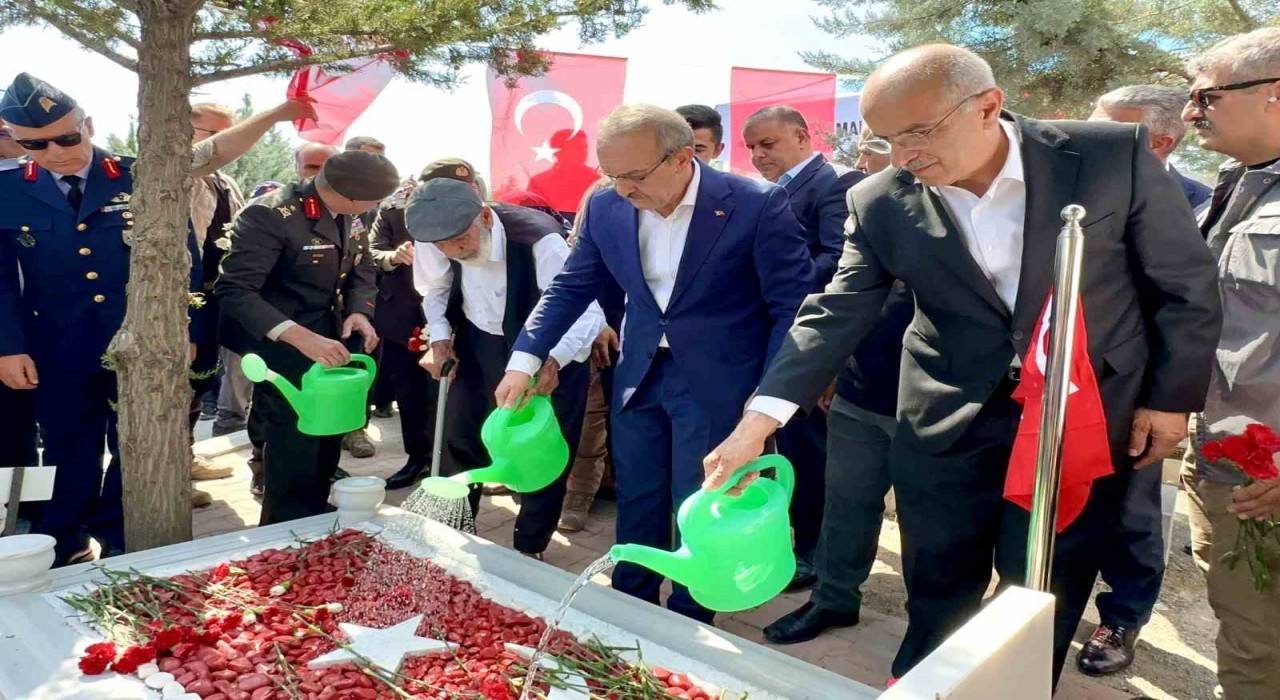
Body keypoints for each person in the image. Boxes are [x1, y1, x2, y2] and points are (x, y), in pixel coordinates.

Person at [700, 45, 1221, 684]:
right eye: (886, 139)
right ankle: (923, 681)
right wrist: (758, 422)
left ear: (988, 106)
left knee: (1043, 585)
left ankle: (1020, 688)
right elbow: (835, 309)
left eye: (918, 133)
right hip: (946, 413)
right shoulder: (881, 199)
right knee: (937, 576)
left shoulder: (1109, 157)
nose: (904, 156)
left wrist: (1170, 402)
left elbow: (1185, 284)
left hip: (1079, 413)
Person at [495, 104, 814, 622]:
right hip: (639, 374)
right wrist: (526, 358)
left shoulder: (755, 204)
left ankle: (690, 615)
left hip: (720, 380)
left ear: (682, 157)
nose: (623, 188)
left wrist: (768, 400)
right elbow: (574, 285)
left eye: (635, 176)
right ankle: (631, 604)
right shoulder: (607, 207)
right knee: (639, 494)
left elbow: (792, 307)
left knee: (700, 502)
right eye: (611, 175)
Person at [0, 73, 203, 564]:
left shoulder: (139, 175)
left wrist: (185, 329)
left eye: (67, 137)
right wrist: (7, 346)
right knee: (69, 443)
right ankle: (66, 536)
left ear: (88, 125)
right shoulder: (9, 190)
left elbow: (185, 258)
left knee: (135, 439)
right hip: (56, 343)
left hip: (140, 337)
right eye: (35, 144)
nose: (54, 152)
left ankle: (117, 529)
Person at [1073, 83, 1213, 676]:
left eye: (1107, 128)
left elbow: (1187, 306)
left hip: (1137, 390)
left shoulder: (1195, 200)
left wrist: (1164, 399)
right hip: (1064, 379)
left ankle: (1122, 616)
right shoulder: (1070, 188)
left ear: (1158, 140)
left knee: (1131, 511)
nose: (1086, 136)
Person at [762, 130, 913, 645]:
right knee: (847, 503)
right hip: (863, 385)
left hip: (939, 400)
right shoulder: (874, 205)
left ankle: (933, 628)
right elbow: (841, 302)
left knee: (928, 519)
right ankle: (832, 599)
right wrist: (825, 369)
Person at [408, 177, 601, 557]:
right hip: (478, 343)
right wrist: (440, 338)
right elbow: (436, 289)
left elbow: (585, 312)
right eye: (442, 245)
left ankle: (529, 548)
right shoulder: (432, 233)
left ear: (484, 216)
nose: (453, 250)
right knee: (461, 439)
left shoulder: (538, 238)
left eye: (461, 239)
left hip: (548, 348)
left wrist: (552, 360)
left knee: (541, 451)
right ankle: (453, 537)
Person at [1179, 27, 1280, 700]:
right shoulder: (1239, 185)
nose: (1190, 112)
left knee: (1257, 654)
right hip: (1227, 457)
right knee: (1243, 627)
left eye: (1206, 95)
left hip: (1268, 478)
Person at [215, 150, 395, 525]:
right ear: (346, 195)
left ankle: (315, 511)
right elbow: (236, 291)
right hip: (280, 340)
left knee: (328, 431)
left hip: (328, 332)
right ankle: (285, 524)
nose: (377, 206)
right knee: (294, 437)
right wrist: (299, 338)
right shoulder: (270, 214)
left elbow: (360, 266)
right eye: (374, 200)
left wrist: (360, 311)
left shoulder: (352, 214)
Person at [743, 105, 866, 590]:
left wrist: (771, 284)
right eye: (751, 147)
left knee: (807, 452)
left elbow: (839, 262)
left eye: (766, 144)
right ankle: (784, 540)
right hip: (767, 337)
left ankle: (813, 552)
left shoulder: (835, 184)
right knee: (774, 450)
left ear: (800, 136)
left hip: (810, 343)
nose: (756, 155)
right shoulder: (759, 193)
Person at [370, 160, 485, 490]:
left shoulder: (480, 216)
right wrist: (394, 255)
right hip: (404, 317)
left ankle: (459, 463)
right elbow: (371, 252)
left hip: (458, 319)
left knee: (458, 396)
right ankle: (418, 457)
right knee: (410, 394)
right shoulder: (394, 211)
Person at [1091, 85, 1211, 208]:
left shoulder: (1203, 204)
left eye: (1106, 132)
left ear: (1159, 143)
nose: (1089, 137)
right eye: (1087, 128)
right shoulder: (1072, 182)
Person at [0, 118, 38, 491]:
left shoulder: (34, 178)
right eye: (3, 131)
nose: (14, 138)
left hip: (33, 324)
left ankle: (27, 513)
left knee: (19, 429)